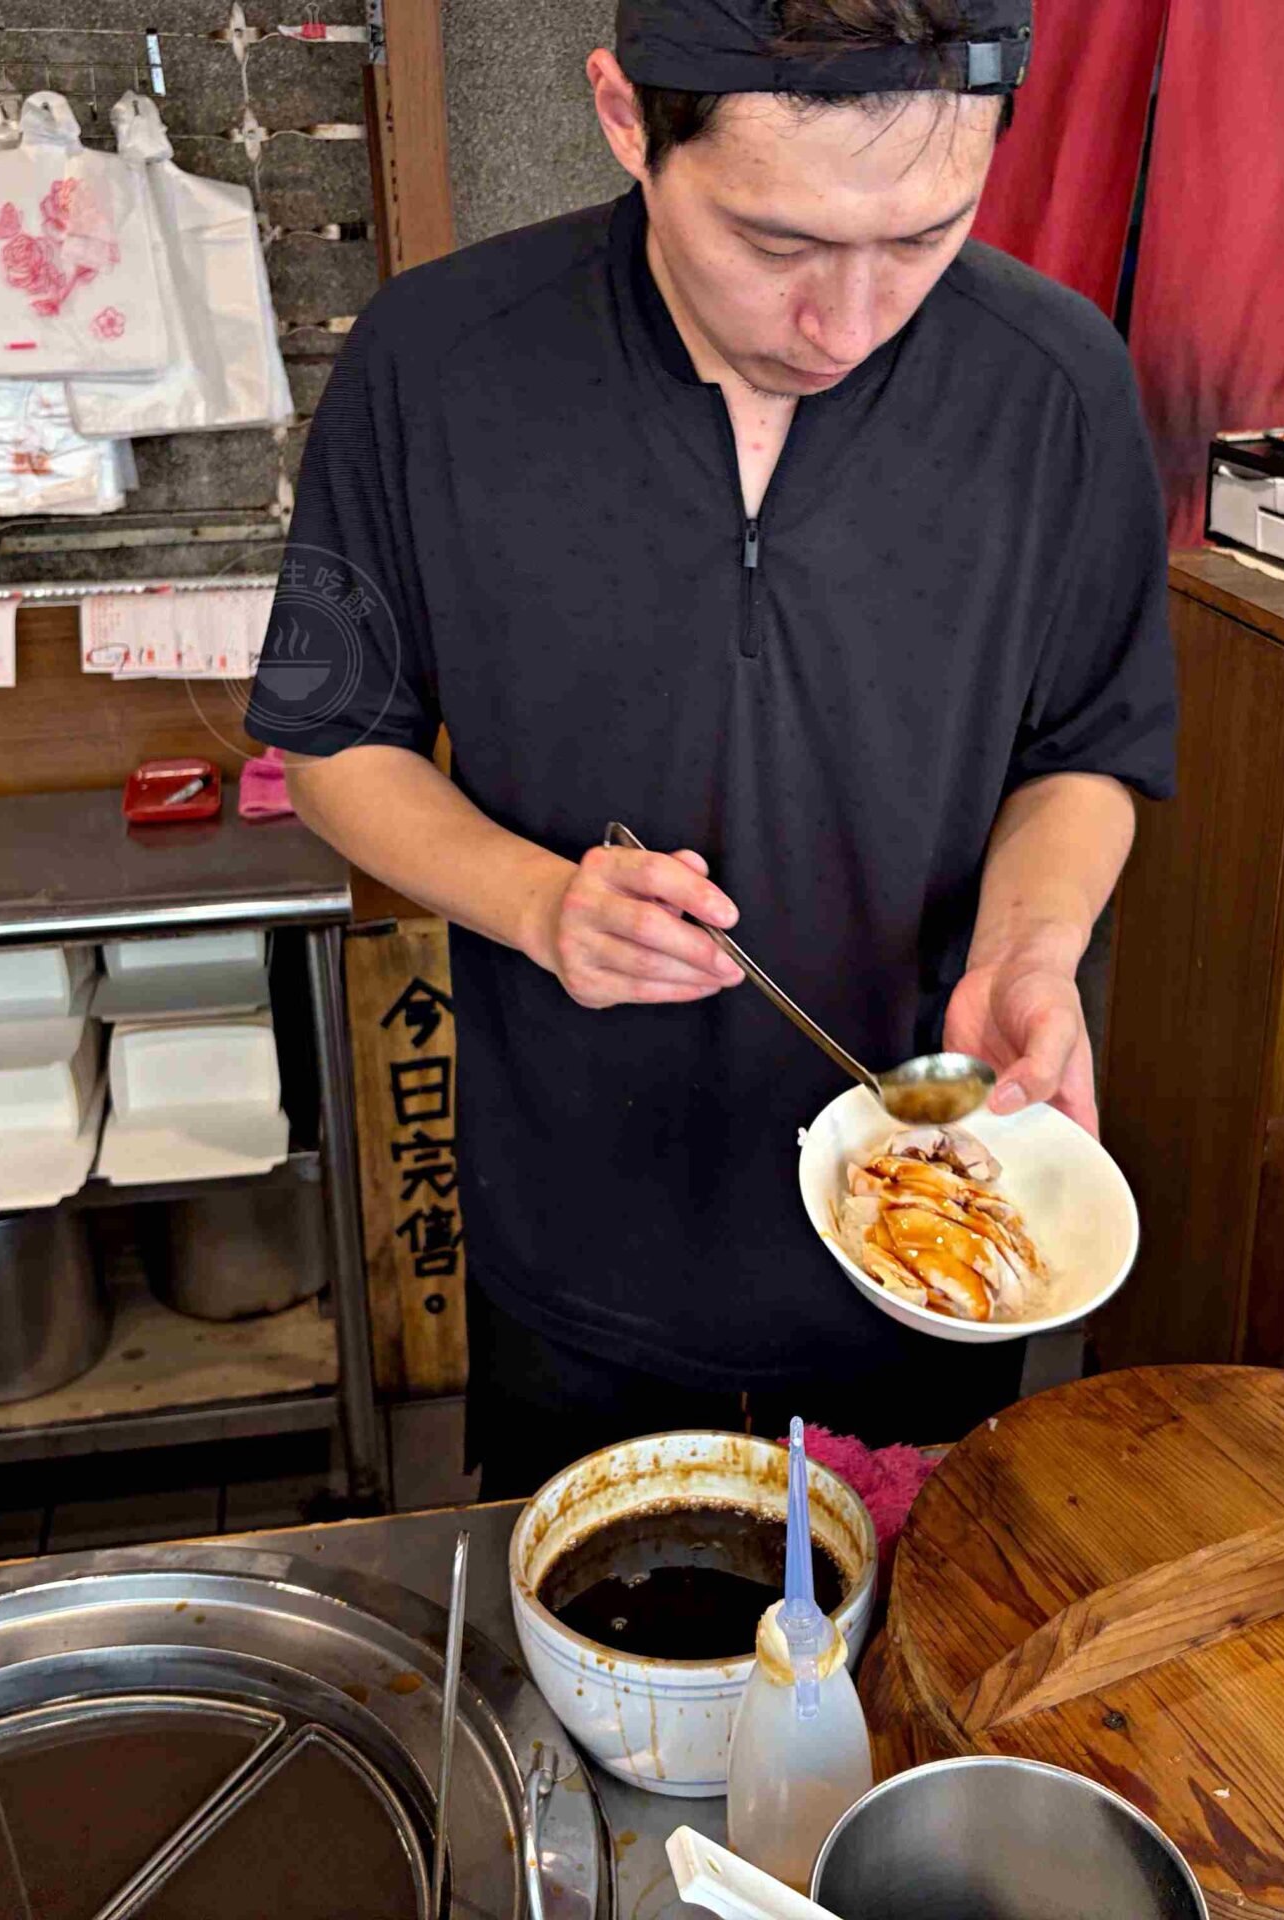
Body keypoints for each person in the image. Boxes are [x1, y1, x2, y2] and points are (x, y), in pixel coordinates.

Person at [248, 0, 1175, 1496]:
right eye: (780, 245)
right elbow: (331, 744)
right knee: (591, 1665)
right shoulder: (435, 360)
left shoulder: (1055, 380)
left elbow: (1089, 746)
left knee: (900, 1675)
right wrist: (539, 903)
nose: (854, 320)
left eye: (926, 236)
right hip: (578, 1214)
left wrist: (1034, 946)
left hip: (930, 1224)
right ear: (626, 119)